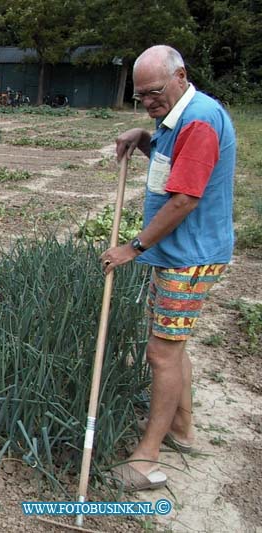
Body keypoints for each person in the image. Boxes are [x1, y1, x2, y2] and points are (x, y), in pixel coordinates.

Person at [101, 45, 235, 491]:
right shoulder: (176, 117)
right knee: (172, 346)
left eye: (154, 93)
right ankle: (182, 427)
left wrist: (133, 247)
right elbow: (173, 170)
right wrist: (145, 138)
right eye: (140, 97)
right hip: (177, 254)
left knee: (161, 353)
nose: (148, 103)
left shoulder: (198, 120)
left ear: (181, 75)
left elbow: (184, 199)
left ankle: (147, 454)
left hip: (189, 258)